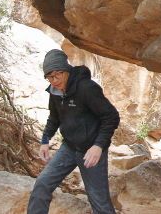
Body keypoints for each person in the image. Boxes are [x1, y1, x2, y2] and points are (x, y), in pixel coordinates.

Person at [28, 49, 120, 214]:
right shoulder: (55, 91)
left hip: (91, 150)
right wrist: (45, 140)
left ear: (67, 70)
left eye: (57, 75)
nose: (54, 81)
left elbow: (111, 117)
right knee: (42, 184)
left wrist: (98, 146)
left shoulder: (87, 88)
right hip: (69, 147)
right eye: (49, 77)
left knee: (99, 201)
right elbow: (54, 118)